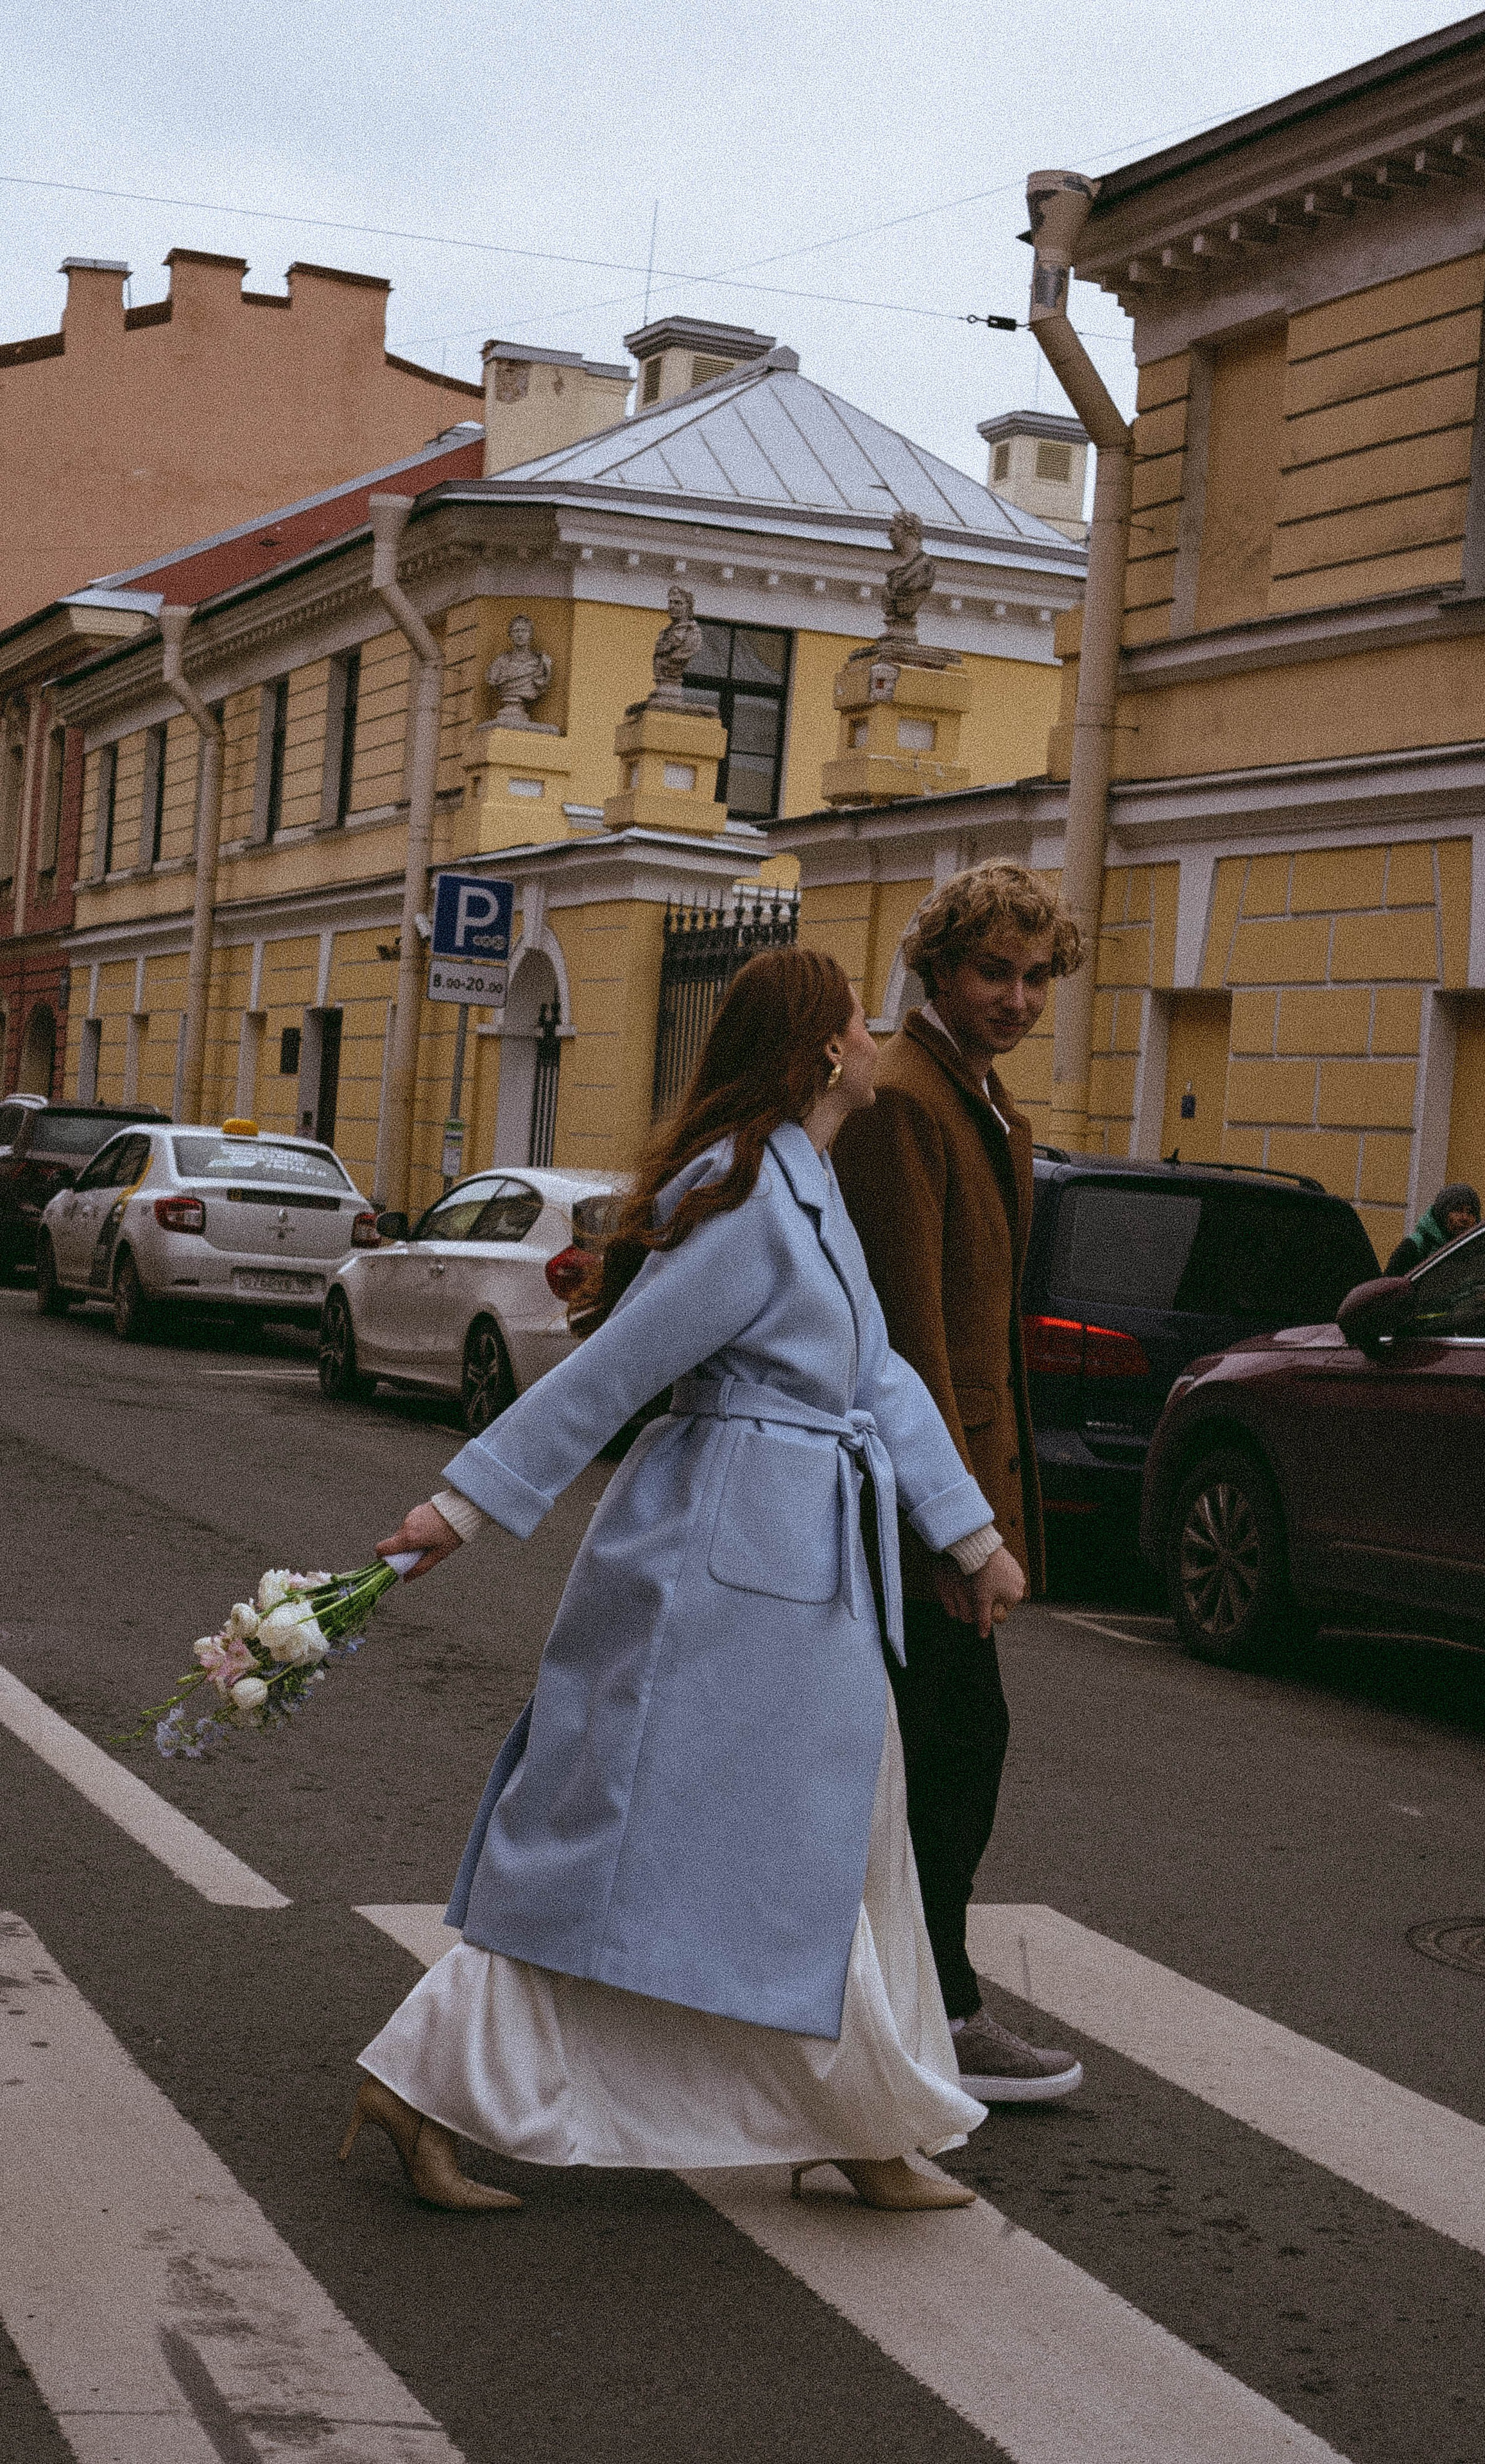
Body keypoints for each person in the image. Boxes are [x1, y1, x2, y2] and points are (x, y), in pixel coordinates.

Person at [344, 947, 1027, 2216]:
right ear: (825, 1050)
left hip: (803, 1568)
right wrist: (464, 1502)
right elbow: (619, 1369)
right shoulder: (745, 1187)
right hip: (714, 1577)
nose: (879, 1038)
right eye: (859, 1024)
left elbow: (876, 1380)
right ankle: (424, 2078)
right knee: (620, 1848)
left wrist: (968, 1534)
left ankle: (862, 2120)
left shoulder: (803, 1180)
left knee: (832, 1843)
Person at [832, 861, 1085, 2105]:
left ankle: (899, 1996)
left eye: (1036, 977)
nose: (1018, 998)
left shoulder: (975, 1101)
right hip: (910, 1503)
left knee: (924, 1752)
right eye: (993, 970)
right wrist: (953, 1529)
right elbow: (904, 1343)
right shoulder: (905, 1100)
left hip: (950, 1489)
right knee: (951, 1745)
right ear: (936, 967)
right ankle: (939, 2006)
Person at [1386, 1182, 1481, 1278]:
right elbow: (1390, 1286)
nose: (1465, 1218)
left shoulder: (1477, 1249)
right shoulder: (1416, 1246)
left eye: (1470, 1212)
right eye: (1458, 1210)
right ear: (1442, 1214)